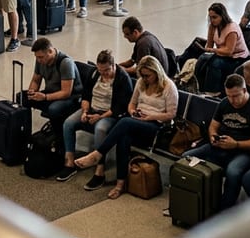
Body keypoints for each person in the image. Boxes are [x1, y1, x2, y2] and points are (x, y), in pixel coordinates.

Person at [73, 56, 178, 199]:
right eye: (142, 75)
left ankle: (98, 154)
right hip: (137, 120)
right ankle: (120, 184)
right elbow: (131, 104)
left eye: (148, 75)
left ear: (157, 72)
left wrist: (150, 117)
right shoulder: (141, 82)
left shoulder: (168, 87)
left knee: (124, 123)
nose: (145, 78)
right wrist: (133, 112)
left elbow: (171, 114)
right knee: (123, 138)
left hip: (155, 125)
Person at [181, 74, 250, 210]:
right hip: (221, 145)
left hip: (245, 151)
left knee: (233, 172)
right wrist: (213, 137)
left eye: (235, 96)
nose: (232, 100)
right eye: (229, 95)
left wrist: (236, 144)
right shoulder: (225, 103)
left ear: (245, 91)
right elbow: (213, 126)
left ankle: (225, 209)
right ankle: (191, 200)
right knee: (185, 158)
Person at [58, 49, 134, 188]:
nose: (103, 73)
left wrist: (100, 116)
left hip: (110, 114)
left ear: (113, 65)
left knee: (100, 128)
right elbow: (86, 95)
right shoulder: (94, 73)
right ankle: (69, 162)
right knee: (68, 123)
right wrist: (85, 111)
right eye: (100, 70)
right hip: (92, 109)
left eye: (106, 70)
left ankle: (100, 170)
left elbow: (120, 107)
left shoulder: (122, 79)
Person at [25, 38, 82, 145]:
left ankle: (59, 137)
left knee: (53, 109)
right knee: (23, 98)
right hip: (50, 92)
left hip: (71, 98)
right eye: (37, 57)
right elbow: (36, 80)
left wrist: (45, 97)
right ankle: (25, 132)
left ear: (50, 51)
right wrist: (31, 92)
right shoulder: (40, 60)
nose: (38, 60)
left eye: (41, 57)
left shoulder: (65, 63)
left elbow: (66, 92)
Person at [197, 2, 250, 94]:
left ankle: (213, 92)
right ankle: (199, 87)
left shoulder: (231, 29)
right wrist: (205, 50)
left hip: (237, 57)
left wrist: (213, 50)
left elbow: (229, 51)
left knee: (215, 63)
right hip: (222, 54)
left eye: (214, 17)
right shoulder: (212, 27)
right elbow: (209, 45)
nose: (212, 20)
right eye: (210, 17)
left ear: (222, 16)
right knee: (202, 59)